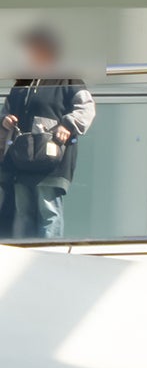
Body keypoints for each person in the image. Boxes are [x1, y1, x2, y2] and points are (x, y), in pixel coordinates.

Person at [1, 27, 94, 241]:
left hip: (52, 157)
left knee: (48, 209)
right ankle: (23, 254)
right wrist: (5, 120)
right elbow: (6, 111)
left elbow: (86, 108)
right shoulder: (22, 83)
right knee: (23, 210)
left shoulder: (68, 78)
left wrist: (67, 125)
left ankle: (48, 254)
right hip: (21, 158)